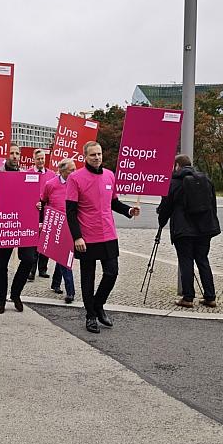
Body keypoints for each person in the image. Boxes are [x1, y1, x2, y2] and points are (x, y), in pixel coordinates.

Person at [66, 141, 140, 333]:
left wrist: (129, 210)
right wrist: (77, 237)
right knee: (88, 278)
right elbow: (71, 211)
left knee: (112, 273)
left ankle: (98, 305)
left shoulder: (109, 175)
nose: (97, 157)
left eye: (99, 154)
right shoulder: (75, 178)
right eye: (93, 155)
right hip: (86, 237)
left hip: (108, 233)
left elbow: (114, 202)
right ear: (85, 157)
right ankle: (90, 315)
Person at [155, 154, 221, 307]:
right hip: (205, 229)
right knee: (203, 260)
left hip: (183, 230)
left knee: (186, 261)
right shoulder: (206, 180)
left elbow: (166, 207)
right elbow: (213, 204)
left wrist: (161, 222)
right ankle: (210, 297)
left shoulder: (174, 183)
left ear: (177, 165)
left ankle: (188, 297)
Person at [0, 145, 39, 314]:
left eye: (17, 153)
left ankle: (16, 293)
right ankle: (0, 300)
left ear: (20, 156)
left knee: (28, 259)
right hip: (6, 225)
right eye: (11, 153)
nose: (14, 156)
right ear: (7, 155)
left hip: (24, 224)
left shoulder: (28, 175)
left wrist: (38, 204)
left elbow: (34, 197)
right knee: (1, 266)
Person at [40, 158, 76, 304]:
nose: (74, 172)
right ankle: (68, 290)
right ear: (61, 171)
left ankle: (62, 286)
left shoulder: (76, 184)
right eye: (71, 170)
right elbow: (43, 201)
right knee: (62, 257)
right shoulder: (50, 185)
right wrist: (42, 222)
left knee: (64, 257)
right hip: (55, 223)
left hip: (71, 224)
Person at [27, 149, 56, 281]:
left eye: (42, 158)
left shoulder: (51, 174)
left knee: (46, 239)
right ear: (34, 159)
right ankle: (31, 270)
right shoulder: (28, 173)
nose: (40, 161)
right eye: (38, 158)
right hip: (32, 210)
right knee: (33, 241)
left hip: (47, 210)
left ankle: (42, 268)